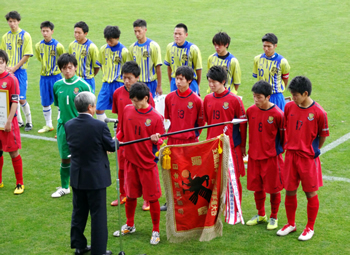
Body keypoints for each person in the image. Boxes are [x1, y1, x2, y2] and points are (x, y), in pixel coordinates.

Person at [277, 76, 329, 241]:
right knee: (289, 190)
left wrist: (313, 149)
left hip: (307, 158)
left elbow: (322, 136)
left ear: (305, 93)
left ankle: (310, 227)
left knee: (310, 192)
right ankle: (291, 224)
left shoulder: (319, 113)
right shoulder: (290, 107)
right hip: (291, 156)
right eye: (291, 94)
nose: (292, 97)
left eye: (295, 94)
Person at [113, 82, 165, 245]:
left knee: (153, 198)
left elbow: (161, 140)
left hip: (148, 164)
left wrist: (158, 139)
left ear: (146, 98)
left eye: (137, 101)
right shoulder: (128, 109)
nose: (134, 104)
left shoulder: (156, 117)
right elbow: (122, 130)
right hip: (130, 162)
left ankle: (155, 230)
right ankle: (130, 224)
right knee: (130, 195)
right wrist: (116, 140)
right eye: (132, 100)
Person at [65, 91, 114, 255]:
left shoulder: (69, 124)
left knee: (79, 212)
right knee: (98, 215)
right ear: (90, 107)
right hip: (96, 178)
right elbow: (111, 146)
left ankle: (79, 246)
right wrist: (118, 140)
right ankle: (99, 251)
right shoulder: (100, 126)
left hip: (78, 176)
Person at [110, 61, 155, 210]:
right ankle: (123, 194)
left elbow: (152, 115)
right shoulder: (117, 93)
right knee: (122, 168)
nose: (126, 81)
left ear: (137, 77)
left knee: (143, 169)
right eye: (124, 78)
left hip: (141, 139)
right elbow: (119, 115)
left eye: (129, 78)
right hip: (123, 138)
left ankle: (147, 199)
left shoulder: (145, 93)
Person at [203, 65, 247, 221]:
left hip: (230, 147)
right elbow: (208, 121)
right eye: (209, 81)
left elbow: (242, 124)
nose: (211, 85)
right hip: (212, 146)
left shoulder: (234, 100)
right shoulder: (207, 99)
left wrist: (242, 146)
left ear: (223, 82)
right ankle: (216, 208)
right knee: (213, 178)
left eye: (214, 82)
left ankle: (234, 211)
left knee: (231, 178)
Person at [160, 66, 205, 211]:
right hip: (173, 141)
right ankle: (172, 200)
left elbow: (200, 123)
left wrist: (192, 136)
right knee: (173, 172)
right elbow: (167, 119)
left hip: (189, 142)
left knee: (189, 172)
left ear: (189, 81)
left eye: (181, 79)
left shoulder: (197, 100)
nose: (178, 82)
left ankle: (188, 199)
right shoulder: (169, 97)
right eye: (176, 79)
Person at [51, 53, 92, 198]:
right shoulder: (57, 85)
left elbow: (90, 108)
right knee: (64, 158)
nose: (67, 71)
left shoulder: (83, 85)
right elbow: (59, 107)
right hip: (63, 127)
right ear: (60, 70)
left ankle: (85, 185)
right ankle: (64, 187)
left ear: (75, 67)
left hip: (80, 128)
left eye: (70, 67)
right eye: (64, 68)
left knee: (82, 158)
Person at [245, 80, 284, 230]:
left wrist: (275, 151)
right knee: (257, 188)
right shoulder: (250, 111)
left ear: (268, 97)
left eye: (259, 97)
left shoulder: (278, 114)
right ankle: (261, 215)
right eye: (254, 96)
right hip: (254, 157)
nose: (256, 100)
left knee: (274, 189)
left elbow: (283, 138)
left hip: (271, 158)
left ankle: (274, 217)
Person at [0, 11, 33, 131]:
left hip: (20, 72)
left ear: (18, 21)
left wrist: (14, 68)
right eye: (10, 21)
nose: (12, 24)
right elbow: (2, 55)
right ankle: (19, 121)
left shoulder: (25, 35)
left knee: (21, 98)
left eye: (14, 21)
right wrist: (7, 68)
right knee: (12, 97)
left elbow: (27, 54)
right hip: (8, 71)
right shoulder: (5, 37)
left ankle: (29, 122)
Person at [0, 49, 24, 194]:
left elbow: (15, 102)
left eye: (1, 63)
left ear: (5, 64)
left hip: (9, 122)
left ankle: (20, 183)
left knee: (13, 152)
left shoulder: (11, 79)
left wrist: (8, 121)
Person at [35, 21, 65, 133]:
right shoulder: (38, 46)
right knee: (45, 101)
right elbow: (39, 58)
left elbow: (63, 60)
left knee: (59, 102)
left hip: (56, 77)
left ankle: (59, 126)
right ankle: (48, 125)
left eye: (47, 31)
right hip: (44, 77)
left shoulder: (58, 46)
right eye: (43, 31)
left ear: (52, 31)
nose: (45, 33)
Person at [95, 25, 129, 122]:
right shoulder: (103, 49)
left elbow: (128, 68)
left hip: (119, 84)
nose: (108, 42)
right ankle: (103, 131)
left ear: (117, 38)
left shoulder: (124, 51)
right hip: (106, 84)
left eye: (111, 40)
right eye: (107, 40)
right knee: (99, 108)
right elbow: (100, 64)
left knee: (121, 110)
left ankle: (121, 133)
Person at [252, 33, 290, 111]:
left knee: (278, 120)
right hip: (261, 96)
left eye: (269, 46)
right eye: (264, 46)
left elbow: (285, 79)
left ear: (275, 46)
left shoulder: (282, 61)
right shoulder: (257, 59)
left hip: (276, 96)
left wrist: (280, 90)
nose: (266, 49)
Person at [164, 23, 202, 95]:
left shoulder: (193, 49)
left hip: (190, 83)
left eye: (180, 34)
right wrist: (171, 82)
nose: (177, 36)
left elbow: (198, 69)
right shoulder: (169, 47)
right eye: (175, 34)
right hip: (175, 82)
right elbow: (169, 66)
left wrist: (197, 85)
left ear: (186, 35)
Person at [129, 19, 162, 97]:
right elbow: (130, 68)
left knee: (151, 107)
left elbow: (158, 67)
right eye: (135, 31)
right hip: (137, 84)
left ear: (145, 30)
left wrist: (159, 86)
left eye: (139, 31)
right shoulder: (132, 47)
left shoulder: (153, 46)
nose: (137, 34)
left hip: (151, 84)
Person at [68, 21, 99, 93]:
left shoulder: (92, 47)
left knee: (88, 103)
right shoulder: (71, 45)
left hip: (87, 80)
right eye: (75, 32)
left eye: (79, 33)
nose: (76, 35)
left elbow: (96, 66)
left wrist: (90, 76)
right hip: (74, 79)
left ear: (85, 34)